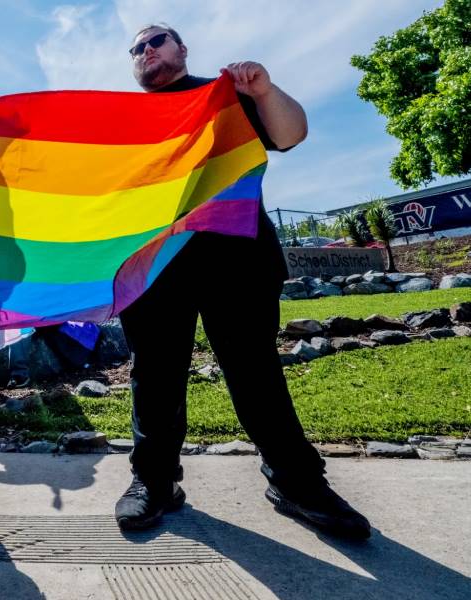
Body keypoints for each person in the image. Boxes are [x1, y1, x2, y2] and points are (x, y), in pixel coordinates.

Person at [114, 24, 371, 539]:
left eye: (156, 41)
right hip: (154, 266)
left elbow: (289, 134)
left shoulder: (225, 96)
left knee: (255, 372)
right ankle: (155, 482)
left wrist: (265, 91)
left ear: (181, 49)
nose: (147, 51)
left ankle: (297, 483)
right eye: (137, 48)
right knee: (155, 376)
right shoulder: (125, 121)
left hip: (238, 261)